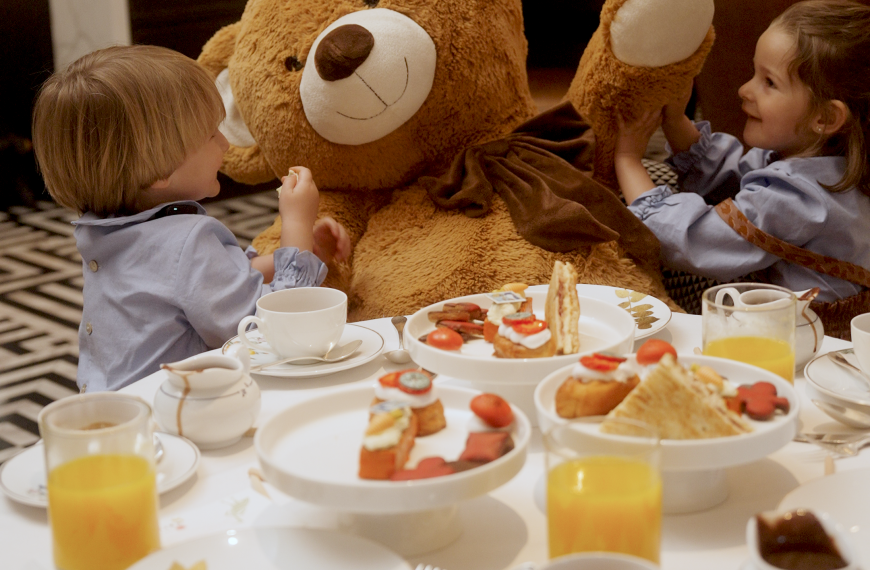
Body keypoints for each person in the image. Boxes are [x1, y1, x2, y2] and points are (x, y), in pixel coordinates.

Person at [31, 45, 350, 392]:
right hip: (172, 412)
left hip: (108, 404)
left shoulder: (102, 230)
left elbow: (196, 282)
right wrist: (297, 224)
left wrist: (290, 256)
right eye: (211, 134)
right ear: (160, 171)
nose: (225, 143)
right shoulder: (187, 240)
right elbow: (274, 332)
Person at [614, 0, 870, 305]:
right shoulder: (821, 160)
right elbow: (736, 180)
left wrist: (627, 161)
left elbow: (694, 240)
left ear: (825, 118)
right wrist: (676, 123)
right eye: (754, 73)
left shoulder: (802, 199)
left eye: (769, 82)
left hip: (801, 331)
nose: (744, 90)